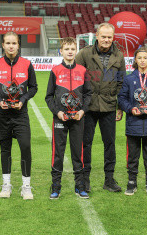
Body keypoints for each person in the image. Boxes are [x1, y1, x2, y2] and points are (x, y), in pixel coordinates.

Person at [0, 32, 38, 199]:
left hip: (20, 114)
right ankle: (6, 185)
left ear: (18, 45)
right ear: (2, 44)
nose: (11, 46)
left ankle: (26, 186)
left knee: (25, 147)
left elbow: (34, 87)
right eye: (7, 43)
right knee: (5, 150)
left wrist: (23, 99)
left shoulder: (27, 64)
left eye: (14, 43)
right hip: (1, 114)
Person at [75, 23, 126, 193]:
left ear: (113, 38)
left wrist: (119, 107)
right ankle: (84, 179)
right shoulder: (84, 53)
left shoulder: (119, 56)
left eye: (109, 37)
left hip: (109, 106)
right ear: (97, 35)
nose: (106, 40)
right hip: (87, 107)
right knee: (86, 144)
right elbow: (75, 78)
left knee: (110, 144)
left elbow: (121, 82)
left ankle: (109, 180)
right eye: (103, 36)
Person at [45, 37, 92, 199]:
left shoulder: (83, 70)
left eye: (73, 49)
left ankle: (80, 185)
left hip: (78, 118)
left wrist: (82, 111)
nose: (70, 51)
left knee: (77, 152)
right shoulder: (55, 70)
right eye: (67, 49)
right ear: (61, 51)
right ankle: (56, 185)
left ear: (76, 51)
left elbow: (88, 94)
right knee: (57, 153)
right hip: (60, 118)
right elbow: (48, 97)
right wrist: (57, 112)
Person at [118, 46, 147, 196]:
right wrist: (130, 108)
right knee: (132, 155)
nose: (142, 60)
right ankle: (132, 181)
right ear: (135, 60)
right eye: (139, 58)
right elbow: (121, 98)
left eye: (145, 58)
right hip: (133, 123)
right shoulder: (129, 78)